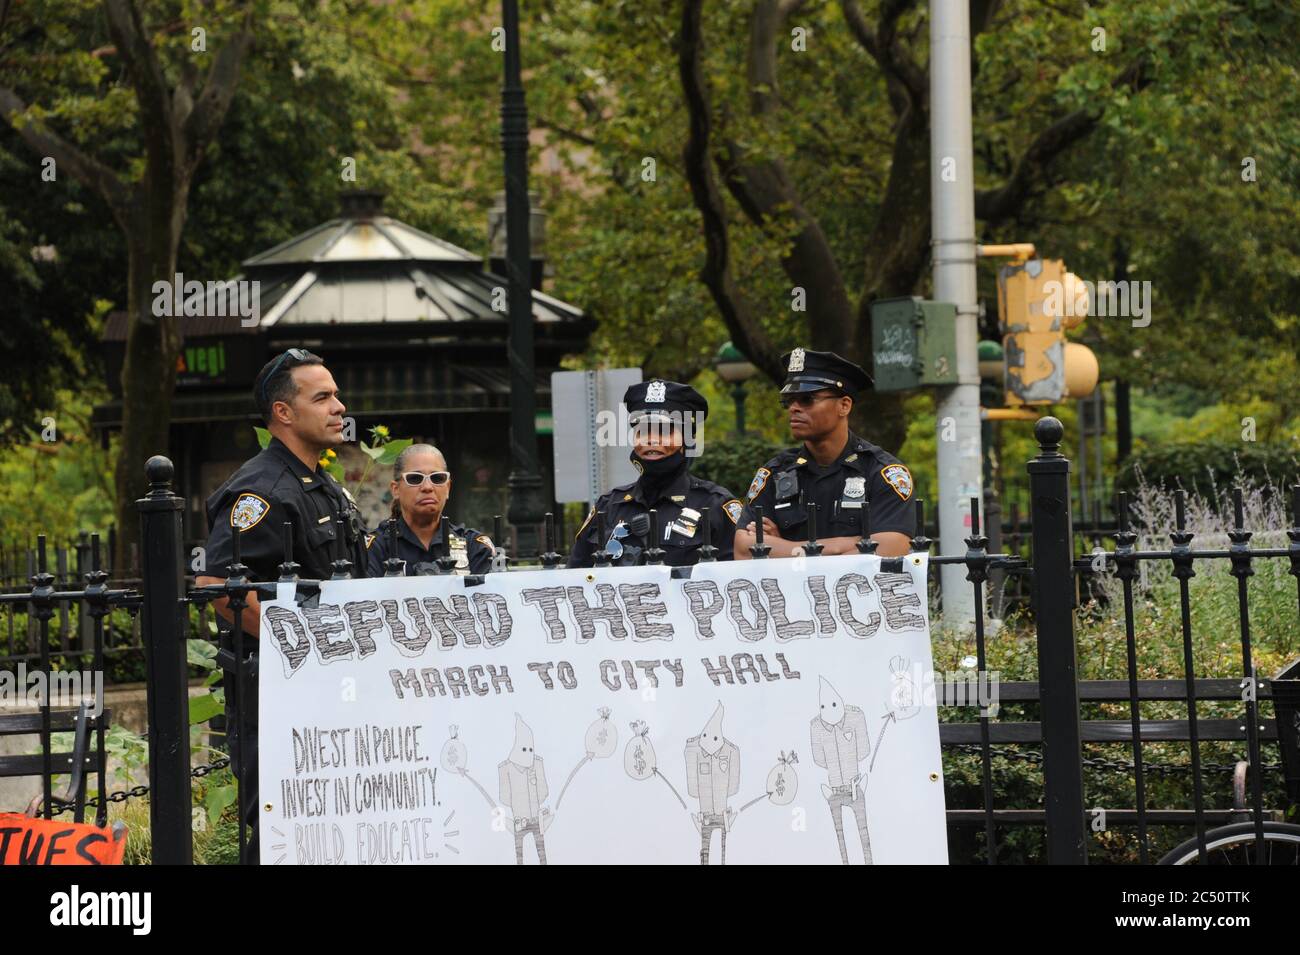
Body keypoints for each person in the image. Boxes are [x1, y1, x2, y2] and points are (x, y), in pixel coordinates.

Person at [195, 348, 369, 864]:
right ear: (284, 413)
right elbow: (215, 583)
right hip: (274, 698)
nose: (340, 407)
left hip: (330, 694)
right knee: (285, 833)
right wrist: (308, 647)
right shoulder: (262, 489)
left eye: (337, 394)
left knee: (328, 832)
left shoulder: (321, 485)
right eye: (323, 397)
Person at [734, 348, 915, 559]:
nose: (794, 408)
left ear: (844, 406)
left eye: (807, 399)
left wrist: (783, 546)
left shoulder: (881, 472)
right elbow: (743, 550)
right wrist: (847, 545)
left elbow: (891, 549)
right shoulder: (774, 474)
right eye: (788, 400)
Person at [567, 379, 740, 567]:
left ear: (687, 440)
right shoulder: (608, 506)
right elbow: (575, 578)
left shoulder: (715, 504)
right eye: (642, 431)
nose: (651, 440)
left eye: (664, 431)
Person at [366, 444, 495, 576]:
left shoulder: (474, 546)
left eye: (437, 478)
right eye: (415, 478)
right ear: (395, 489)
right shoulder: (376, 548)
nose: (427, 487)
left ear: (448, 488)